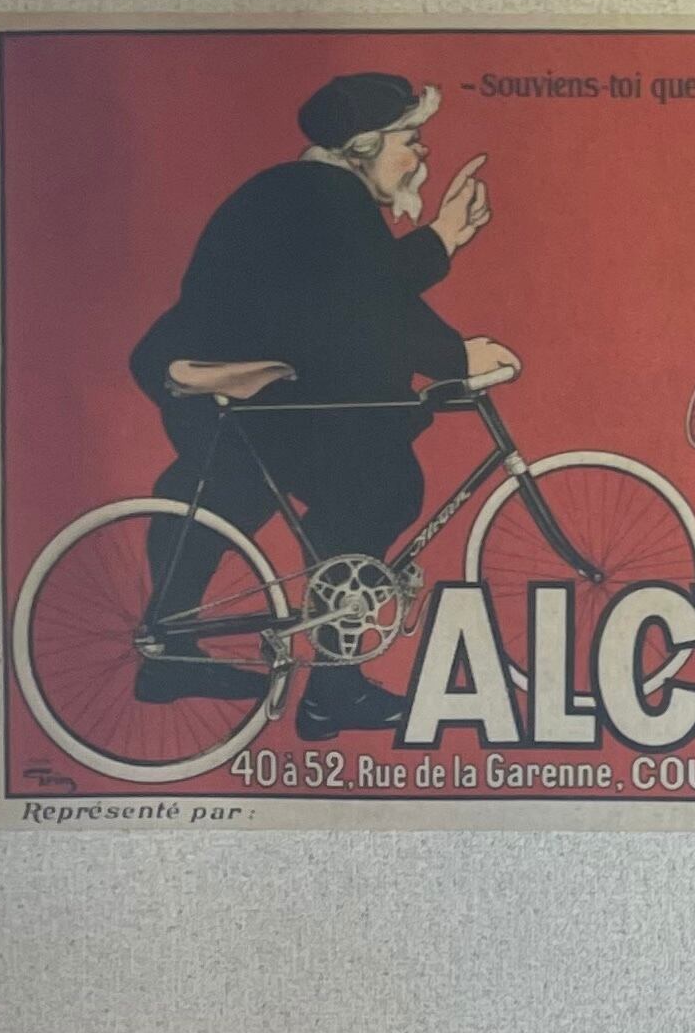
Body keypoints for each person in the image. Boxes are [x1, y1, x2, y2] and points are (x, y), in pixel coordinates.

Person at [125, 72, 522, 740]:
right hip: (245, 383)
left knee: (225, 497)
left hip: (225, 379)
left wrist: (443, 258)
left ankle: (168, 657)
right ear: (364, 145)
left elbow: (361, 291)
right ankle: (332, 690)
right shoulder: (324, 194)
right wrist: (456, 355)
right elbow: (371, 301)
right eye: (410, 137)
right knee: (379, 488)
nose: (422, 153)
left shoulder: (307, 191)